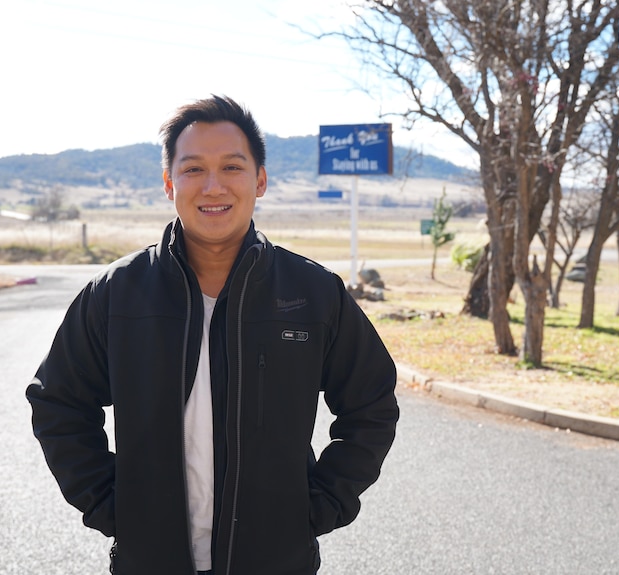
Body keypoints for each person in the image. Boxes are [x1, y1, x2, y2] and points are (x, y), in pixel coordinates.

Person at [26, 94, 399, 575]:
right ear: (169, 183)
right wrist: (109, 505)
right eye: (194, 169)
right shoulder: (116, 294)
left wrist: (319, 506)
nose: (213, 186)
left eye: (232, 167)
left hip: (276, 561)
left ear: (260, 180)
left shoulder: (312, 293)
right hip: (150, 561)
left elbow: (371, 404)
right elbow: (59, 402)